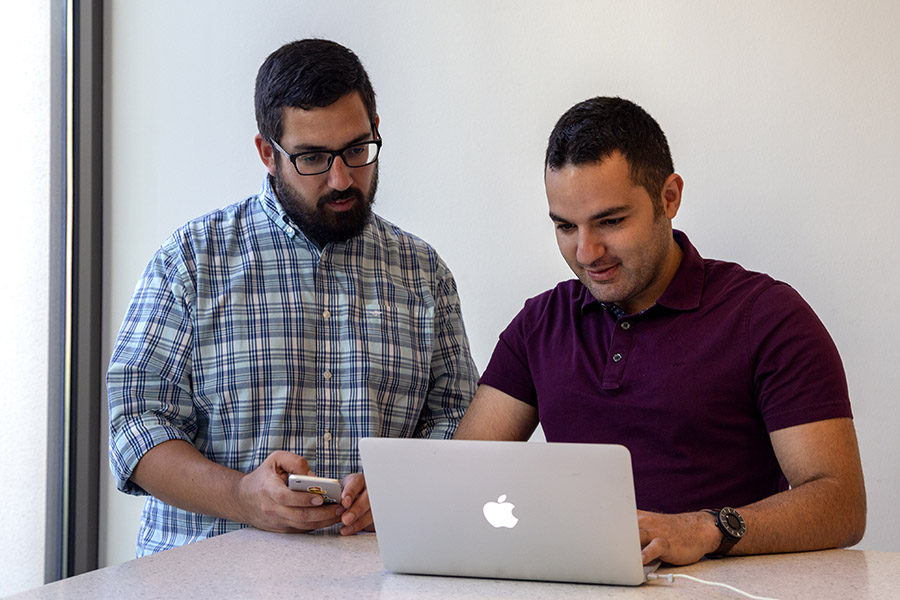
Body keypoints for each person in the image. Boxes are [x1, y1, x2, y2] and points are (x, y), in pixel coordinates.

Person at [454, 96, 866, 566]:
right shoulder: (540, 324)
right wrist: (386, 500)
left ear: (669, 197)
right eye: (566, 226)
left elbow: (842, 505)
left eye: (610, 221)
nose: (587, 253)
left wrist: (706, 528)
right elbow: (464, 475)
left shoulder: (767, 316)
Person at [108, 39, 478, 557]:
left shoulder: (423, 272)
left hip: (374, 578)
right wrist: (240, 497)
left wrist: (403, 486)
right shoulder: (191, 261)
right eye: (311, 158)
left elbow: (458, 421)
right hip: (207, 582)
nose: (342, 178)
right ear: (267, 153)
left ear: (376, 126)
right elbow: (135, 426)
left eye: (356, 148)